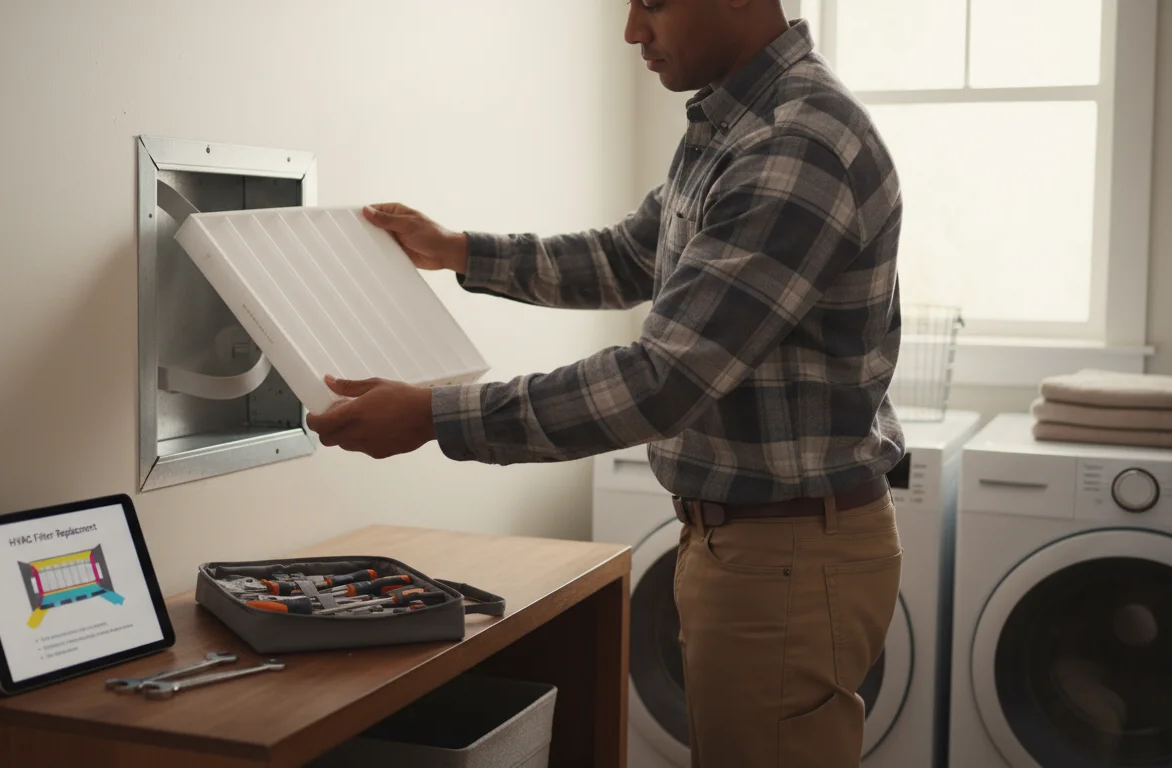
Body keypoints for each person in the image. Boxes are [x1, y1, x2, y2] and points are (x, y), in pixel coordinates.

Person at [305, 0, 904, 764]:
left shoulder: (795, 144)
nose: (631, 31)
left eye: (653, 2)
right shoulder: (733, 125)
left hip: (784, 549)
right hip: (752, 542)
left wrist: (435, 415)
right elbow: (629, 256)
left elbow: (662, 382)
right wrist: (459, 250)